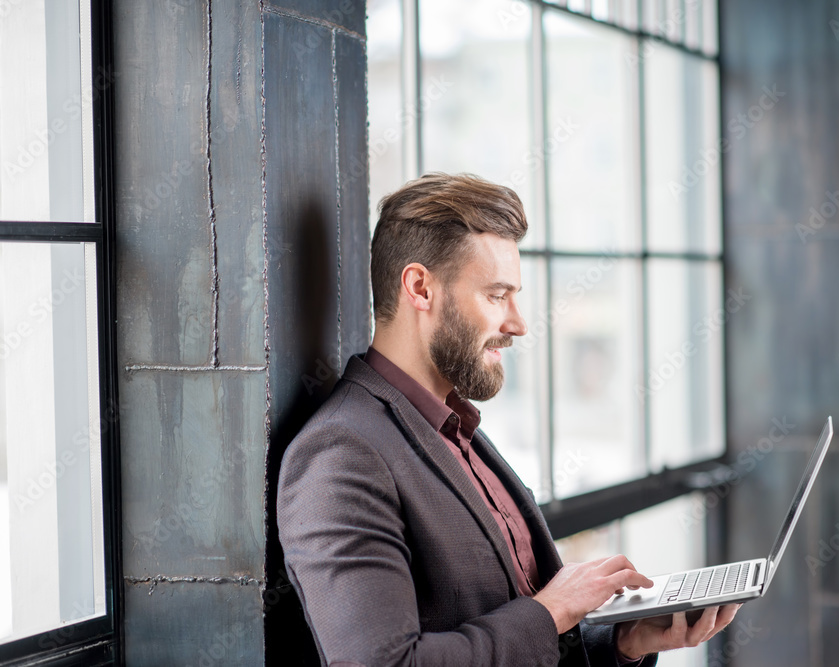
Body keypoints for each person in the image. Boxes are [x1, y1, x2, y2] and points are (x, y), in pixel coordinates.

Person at [276, 173, 739, 666]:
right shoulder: (342, 454)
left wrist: (620, 644)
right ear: (419, 288)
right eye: (497, 296)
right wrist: (554, 610)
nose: (518, 323)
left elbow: (525, 631)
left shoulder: (454, 429)